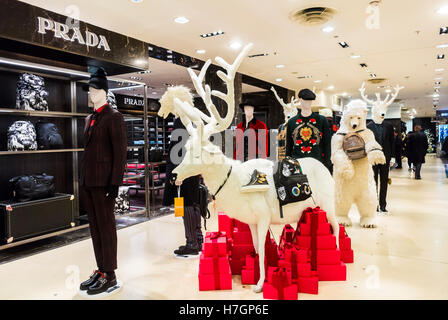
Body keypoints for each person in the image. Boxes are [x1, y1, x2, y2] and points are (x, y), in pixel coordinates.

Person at [79, 67, 127, 295]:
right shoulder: (89, 118)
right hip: (88, 182)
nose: (91, 93)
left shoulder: (114, 117)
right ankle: (101, 269)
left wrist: (115, 183)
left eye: (96, 89)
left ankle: (110, 273)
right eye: (90, 89)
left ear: (105, 92)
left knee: (107, 228)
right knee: (95, 228)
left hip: (104, 184)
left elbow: (120, 153)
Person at [163, 118, 203, 256]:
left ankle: (192, 243)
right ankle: (198, 240)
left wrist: (175, 174)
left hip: (183, 170)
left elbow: (177, 150)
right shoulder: (192, 120)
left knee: (186, 204)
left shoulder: (180, 121)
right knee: (194, 203)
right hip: (192, 169)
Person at [285, 88, 332, 170]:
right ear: (300, 100)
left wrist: (327, 163)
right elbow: (289, 145)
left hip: (317, 163)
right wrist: (287, 163)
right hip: (298, 163)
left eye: (310, 100)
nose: (308, 103)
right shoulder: (292, 122)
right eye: (306, 100)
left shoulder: (322, 120)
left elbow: (327, 144)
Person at [234, 99, 270, 192]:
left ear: (253, 110)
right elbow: (237, 146)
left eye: (250, 108)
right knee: (241, 185)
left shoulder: (261, 125)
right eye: (246, 108)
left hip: (255, 161)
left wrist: (262, 163)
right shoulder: (239, 127)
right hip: (241, 161)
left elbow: (264, 146)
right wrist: (235, 162)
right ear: (244, 110)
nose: (248, 110)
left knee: (254, 186)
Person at [367, 116, 395, 214]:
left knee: (384, 181)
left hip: (385, 157)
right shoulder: (368, 126)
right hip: (373, 157)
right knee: (373, 181)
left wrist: (393, 156)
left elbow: (392, 142)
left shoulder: (388, 125)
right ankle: (374, 205)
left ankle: (383, 205)